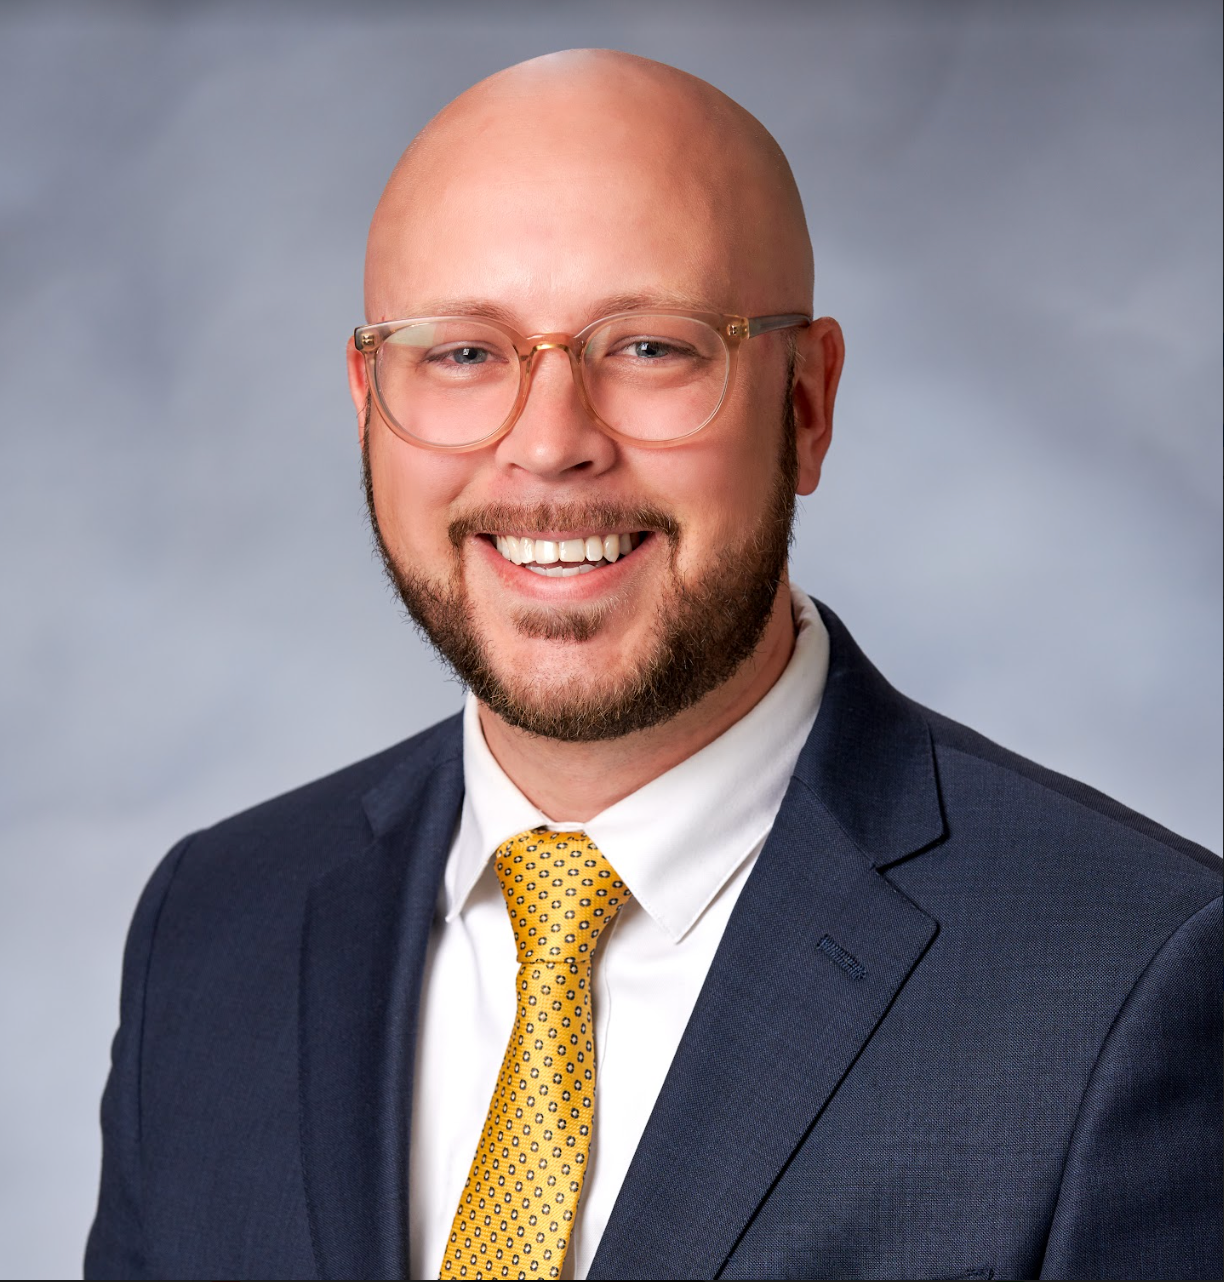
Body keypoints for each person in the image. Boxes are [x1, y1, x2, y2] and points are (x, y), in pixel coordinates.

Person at [85, 49, 1222, 1282]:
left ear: (807, 404)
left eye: (649, 348)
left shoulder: (1127, 981)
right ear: (368, 400)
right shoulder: (212, 930)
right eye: (463, 354)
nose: (550, 445)